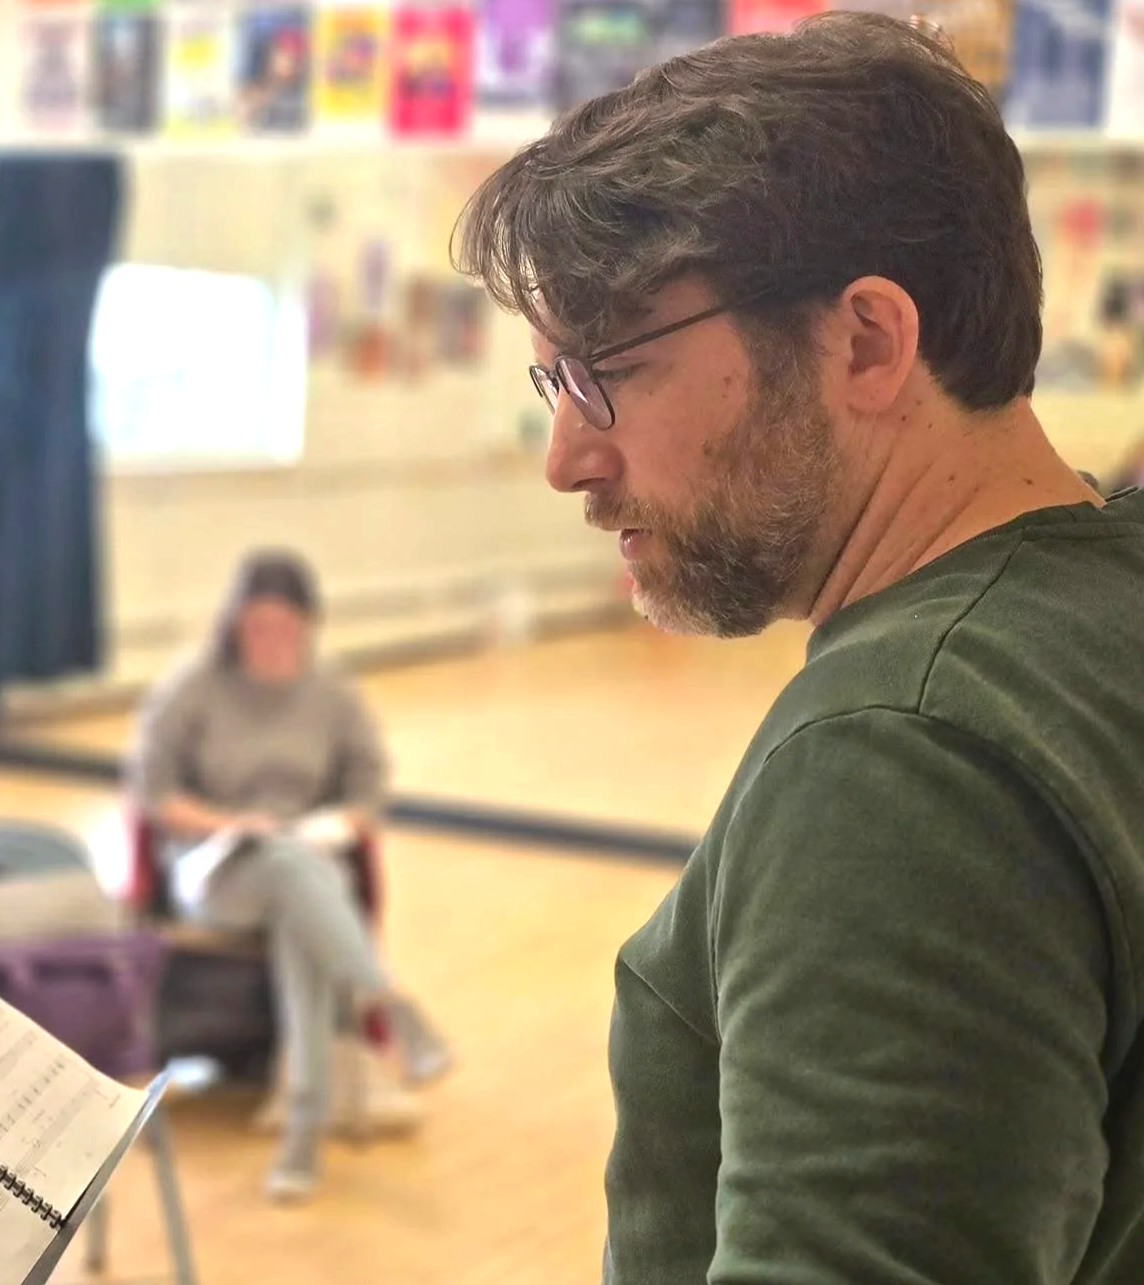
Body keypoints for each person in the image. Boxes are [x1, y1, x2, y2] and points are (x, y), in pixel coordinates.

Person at [453, 12, 1143, 1283]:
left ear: (867, 341)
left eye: (608, 372)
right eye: (552, 385)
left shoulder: (901, 763)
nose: (567, 460)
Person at [126, 548, 451, 1202]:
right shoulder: (193, 685)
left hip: (301, 858)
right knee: (286, 869)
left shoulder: (332, 691)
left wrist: (337, 823)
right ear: (233, 625)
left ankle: (301, 1134)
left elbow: (367, 790)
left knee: (296, 907)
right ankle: (384, 1001)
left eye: (283, 627)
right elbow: (153, 791)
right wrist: (228, 822)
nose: (270, 641)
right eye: (255, 627)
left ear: (308, 625)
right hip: (210, 864)